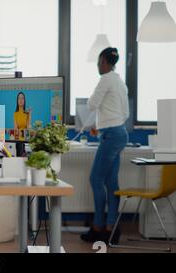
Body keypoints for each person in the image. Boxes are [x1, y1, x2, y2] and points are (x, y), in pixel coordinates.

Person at [80, 47, 129, 244]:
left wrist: (104, 127)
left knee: (95, 179)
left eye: (99, 62)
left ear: (104, 62)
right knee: (111, 183)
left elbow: (92, 104)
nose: (98, 66)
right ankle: (111, 229)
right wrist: (100, 125)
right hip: (119, 133)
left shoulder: (106, 79)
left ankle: (98, 228)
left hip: (111, 135)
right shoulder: (119, 81)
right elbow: (123, 113)